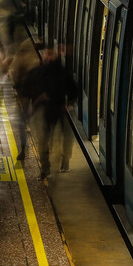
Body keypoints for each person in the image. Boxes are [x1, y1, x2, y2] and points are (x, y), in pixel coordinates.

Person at [25, 47, 78, 178]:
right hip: (59, 108)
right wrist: (69, 103)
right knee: (64, 137)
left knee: (44, 139)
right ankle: (62, 162)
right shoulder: (63, 71)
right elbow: (73, 89)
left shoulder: (38, 72)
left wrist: (35, 102)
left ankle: (46, 168)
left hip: (46, 110)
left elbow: (28, 88)